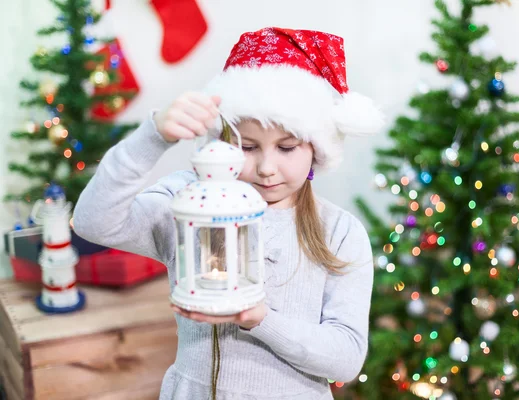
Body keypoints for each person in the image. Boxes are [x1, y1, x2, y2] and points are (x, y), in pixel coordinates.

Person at [73, 27, 385, 400]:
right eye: (248, 146)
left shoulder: (339, 232)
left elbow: (346, 360)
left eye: (287, 147)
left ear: (316, 148)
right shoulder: (190, 200)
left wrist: (263, 320)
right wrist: (153, 137)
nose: (267, 168)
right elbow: (94, 222)